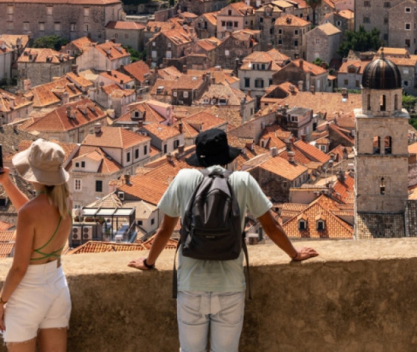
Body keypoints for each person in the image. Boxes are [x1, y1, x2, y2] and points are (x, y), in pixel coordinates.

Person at [128, 128, 318, 352]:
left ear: (200, 157)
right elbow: (271, 226)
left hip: (191, 285)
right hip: (230, 286)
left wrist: (149, 262)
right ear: (226, 156)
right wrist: (294, 254)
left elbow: (165, 230)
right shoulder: (243, 180)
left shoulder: (184, 178)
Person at [0, 139, 73, 352]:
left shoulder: (31, 213)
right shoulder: (66, 202)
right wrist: (6, 183)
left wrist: (1, 302)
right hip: (57, 287)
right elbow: (32, 213)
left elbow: (19, 268)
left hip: (28, 293)